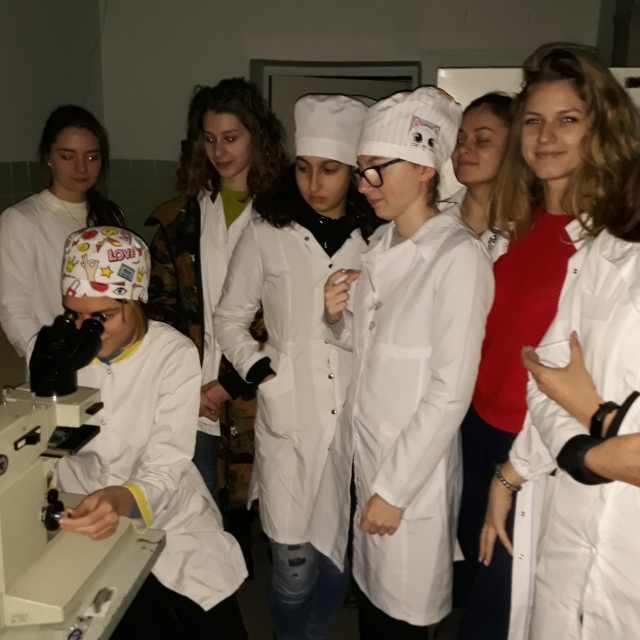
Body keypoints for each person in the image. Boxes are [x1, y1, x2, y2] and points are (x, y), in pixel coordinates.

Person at [460, 42, 640, 640]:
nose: (545, 137)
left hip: (541, 444)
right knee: (481, 587)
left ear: (601, 129)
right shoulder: (523, 222)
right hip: (479, 430)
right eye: (534, 121)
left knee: (501, 612)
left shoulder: (606, 238)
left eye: (567, 120)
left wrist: (519, 467)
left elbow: (570, 371)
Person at [308, 86, 494, 639]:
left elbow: (450, 391)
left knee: (401, 623)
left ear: (423, 169)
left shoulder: (458, 257)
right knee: (373, 612)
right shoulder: (382, 244)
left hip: (408, 480)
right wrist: (336, 320)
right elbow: (373, 353)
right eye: (360, 171)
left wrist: (393, 491)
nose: (363, 185)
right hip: (365, 462)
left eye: (375, 170)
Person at [214, 94, 378, 640]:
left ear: (355, 171)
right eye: (304, 168)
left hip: (355, 414)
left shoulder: (377, 238)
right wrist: (261, 370)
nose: (314, 183)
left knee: (336, 559)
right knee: (292, 564)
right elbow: (229, 317)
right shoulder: (267, 231)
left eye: (330, 169)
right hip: (288, 413)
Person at [49, 226, 248, 639]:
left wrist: (121, 499)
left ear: (135, 301)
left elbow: (166, 460)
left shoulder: (172, 353)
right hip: (82, 508)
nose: (87, 330)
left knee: (214, 624)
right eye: (75, 315)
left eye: (103, 317)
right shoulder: (53, 348)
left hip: (167, 509)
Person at [145, 78, 288, 529]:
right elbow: (160, 310)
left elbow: (284, 316)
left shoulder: (284, 218)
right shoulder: (181, 218)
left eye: (231, 138)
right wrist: (185, 383)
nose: (219, 152)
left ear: (256, 138)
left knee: (259, 513)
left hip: (257, 391)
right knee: (200, 516)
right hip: (194, 393)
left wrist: (229, 383)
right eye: (209, 140)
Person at [507, 156, 640, 639]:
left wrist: (596, 416)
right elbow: (546, 373)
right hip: (572, 519)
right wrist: (581, 452)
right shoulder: (609, 248)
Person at [0, 105, 125, 359]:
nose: (81, 168)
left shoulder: (108, 215)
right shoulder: (22, 220)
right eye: (67, 156)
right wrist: (50, 360)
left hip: (112, 356)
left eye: (92, 157)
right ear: (48, 156)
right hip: (60, 361)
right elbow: (13, 308)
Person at [451, 92, 512, 257]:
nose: (463, 149)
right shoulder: (431, 222)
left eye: (482, 140)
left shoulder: (531, 228)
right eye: (459, 140)